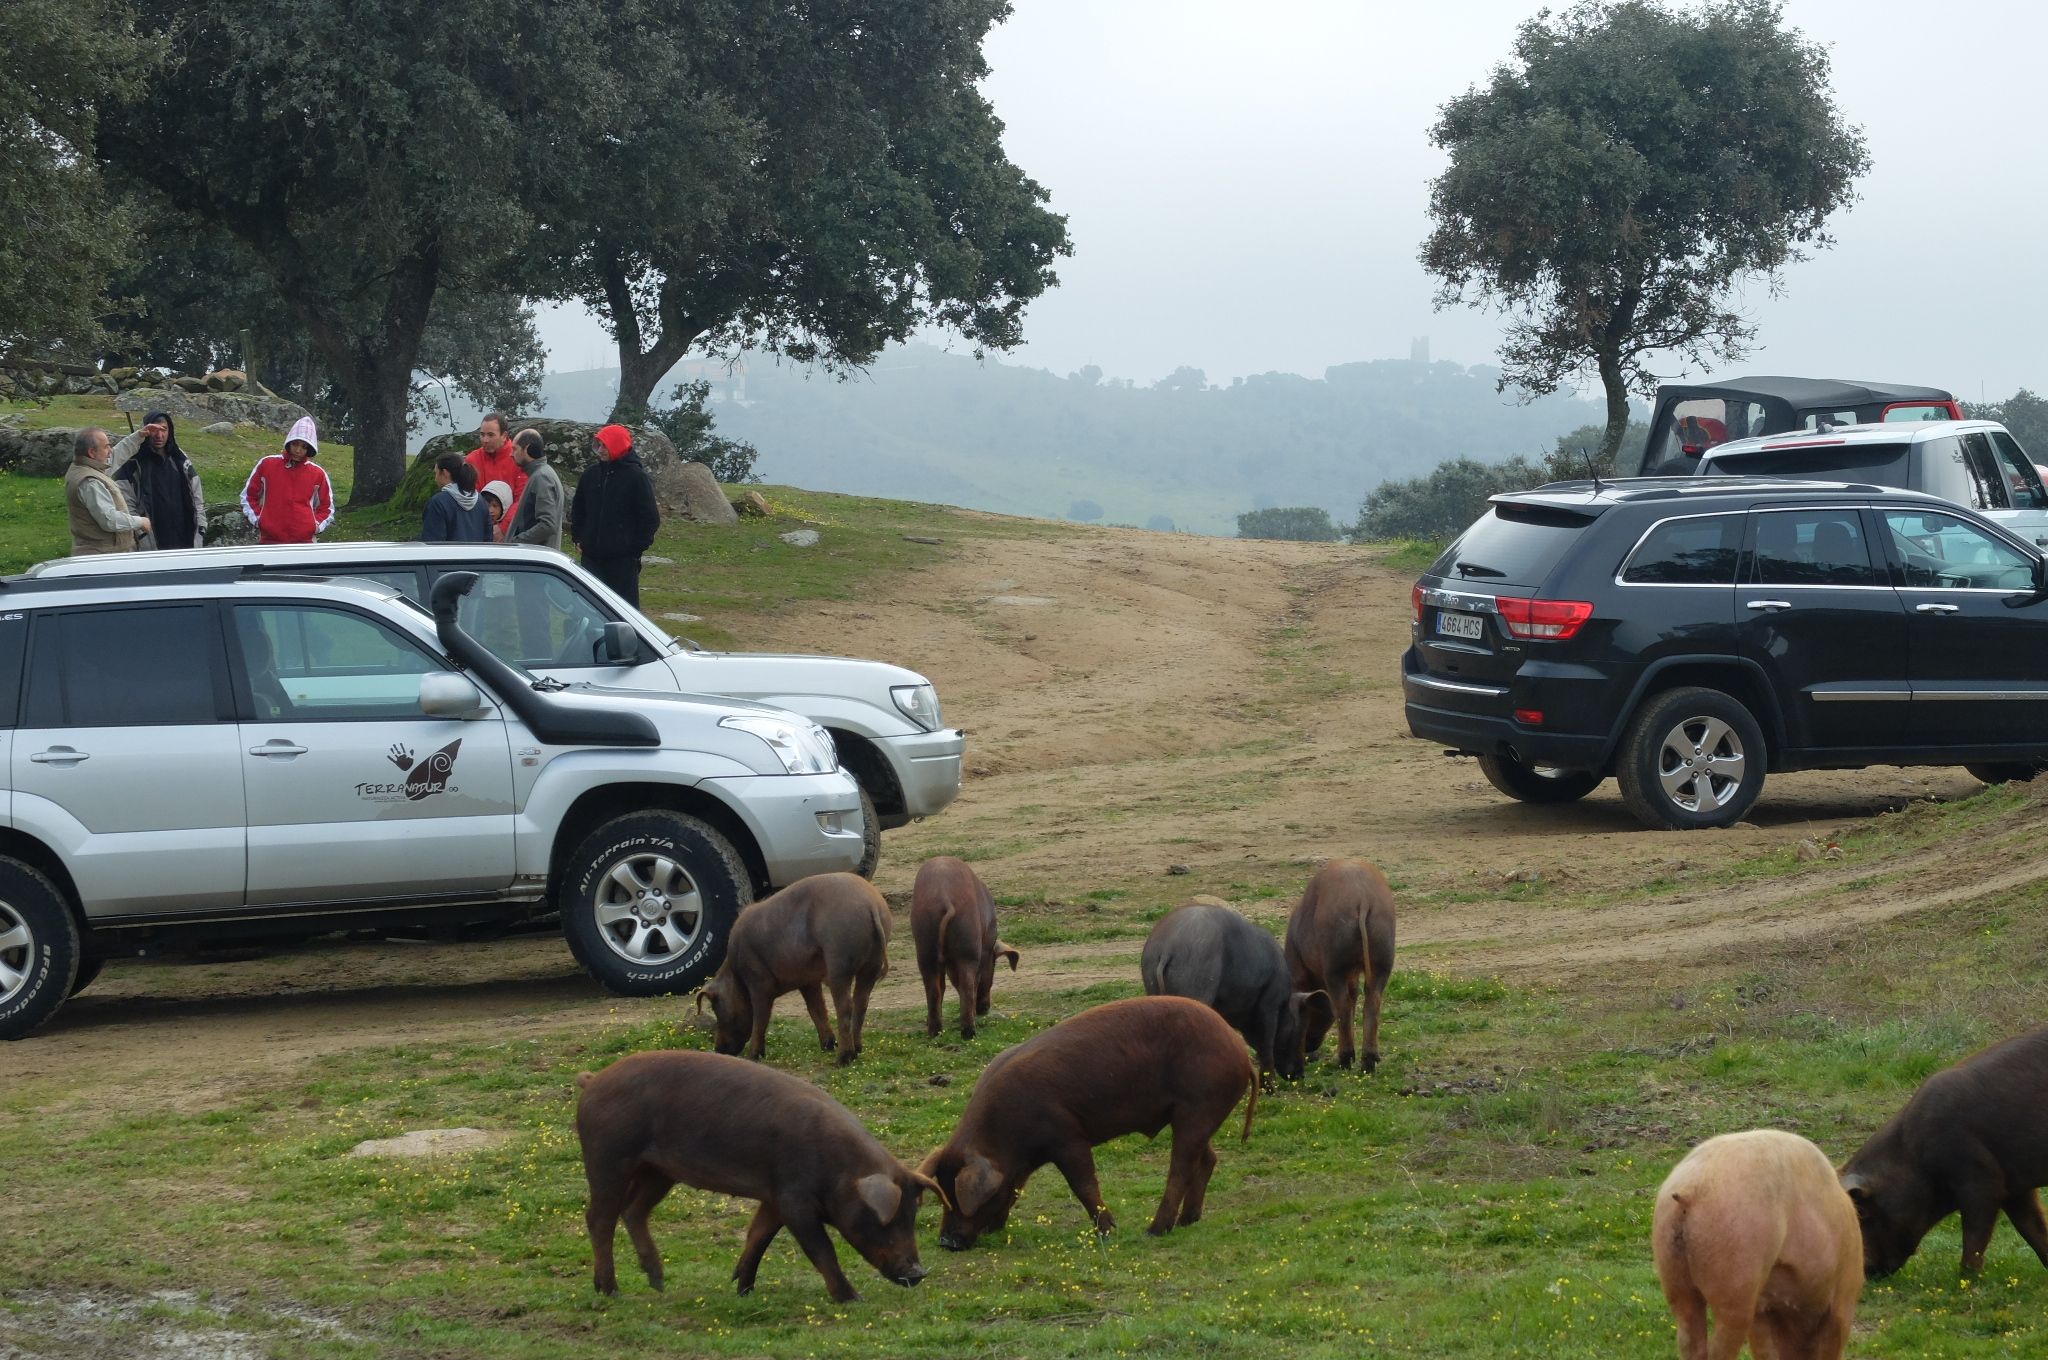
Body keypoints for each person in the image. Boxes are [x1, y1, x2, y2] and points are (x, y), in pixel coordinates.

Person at [569, 423, 661, 605]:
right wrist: (578, 538)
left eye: (605, 445)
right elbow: (578, 509)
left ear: (618, 445)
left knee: (623, 610)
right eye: (599, 445)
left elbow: (650, 518)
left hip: (622, 562)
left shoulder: (636, 477)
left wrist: (633, 549)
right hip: (591, 558)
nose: (601, 450)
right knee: (590, 607)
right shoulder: (590, 475)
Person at [111, 409, 205, 549]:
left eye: (164, 429)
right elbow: (126, 505)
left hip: (183, 534)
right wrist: (140, 534)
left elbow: (196, 498)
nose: (159, 435)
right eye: (154, 430)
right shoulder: (132, 464)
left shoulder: (180, 460)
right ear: (146, 430)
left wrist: (201, 527)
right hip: (151, 538)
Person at [239, 416, 336, 545]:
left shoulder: (318, 473)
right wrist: (259, 519)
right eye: (295, 444)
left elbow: (327, 507)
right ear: (288, 443)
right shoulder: (267, 464)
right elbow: (248, 495)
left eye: (304, 447)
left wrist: (315, 526)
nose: (298, 450)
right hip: (269, 541)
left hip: (304, 543)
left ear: (310, 449)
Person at [65, 426, 151, 555]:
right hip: (100, 557)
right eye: (106, 447)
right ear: (92, 452)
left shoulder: (86, 467)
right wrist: (140, 521)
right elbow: (109, 520)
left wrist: (139, 436)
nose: (110, 451)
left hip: (102, 554)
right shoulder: (90, 482)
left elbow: (116, 456)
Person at [504, 427, 564, 550]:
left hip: (536, 559)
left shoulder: (542, 477)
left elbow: (548, 525)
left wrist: (516, 542)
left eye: (515, 449)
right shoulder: (540, 474)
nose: (511, 454)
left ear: (527, 449)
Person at [465, 413, 527, 527]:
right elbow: (469, 498)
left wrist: (502, 528)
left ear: (504, 435)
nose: (485, 440)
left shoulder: (518, 459)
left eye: (490, 435)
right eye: (482, 435)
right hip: (479, 526)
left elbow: (522, 500)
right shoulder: (472, 460)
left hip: (513, 528)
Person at [420, 453, 495, 542]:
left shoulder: (438, 503)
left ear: (445, 473)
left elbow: (432, 542)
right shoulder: (481, 502)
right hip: (477, 555)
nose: (435, 479)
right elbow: (488, 539)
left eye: (436, 473)